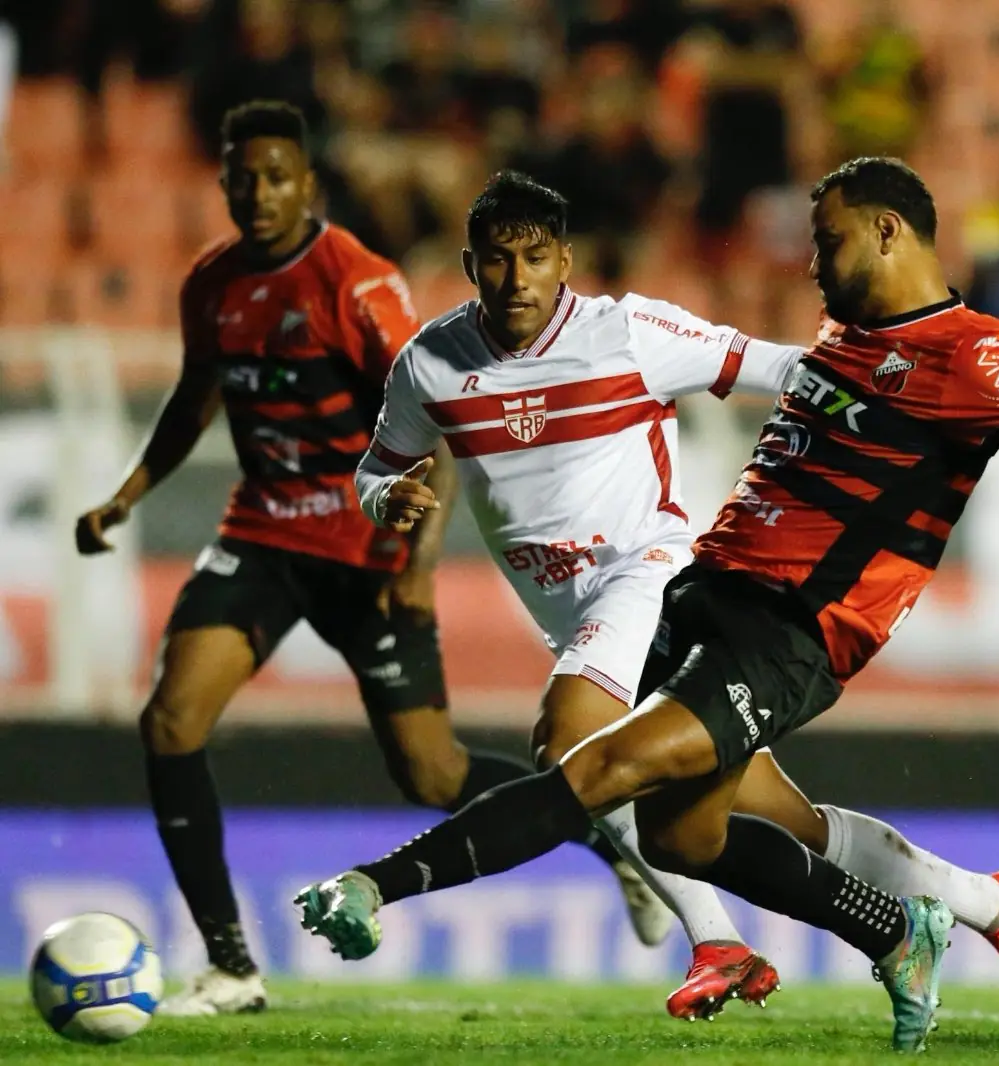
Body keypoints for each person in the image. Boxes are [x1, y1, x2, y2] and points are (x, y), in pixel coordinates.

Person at [296, 158, 999, 1050]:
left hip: (795, 625)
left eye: (827, 241)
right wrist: (382, 494)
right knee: (687, 836)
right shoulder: (845, 335)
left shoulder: (970, 352)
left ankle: (377, 886)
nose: (813, 263)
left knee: (591, 766)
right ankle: (955, 911)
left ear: (888, 231)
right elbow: (382, 462)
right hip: (707, 593)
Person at [71, 101, 664, 1016]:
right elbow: (197, 395)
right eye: (243, 177)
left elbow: (441, 421)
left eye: (277, 176)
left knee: (429, 774)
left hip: (364, 551)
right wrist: (127, 492)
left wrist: (415, 567)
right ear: (225, 183)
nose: (259, 193)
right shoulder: (212, 283)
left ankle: (606, 833)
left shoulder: (355, 284)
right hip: (264, 534)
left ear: (308, 183)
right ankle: (232, 967)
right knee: (169, 722)